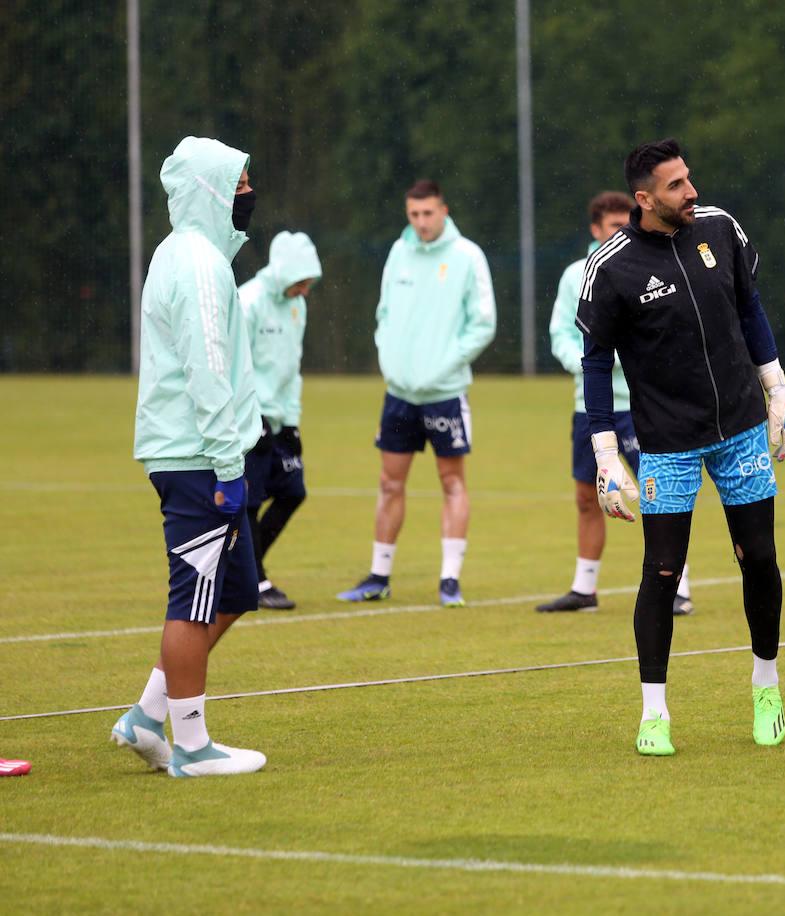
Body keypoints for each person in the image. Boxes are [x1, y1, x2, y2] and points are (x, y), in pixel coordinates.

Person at [577, 138, 785, 757]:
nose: (691, 191)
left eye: (689, 179)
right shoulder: (611, 267)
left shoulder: (721, 230)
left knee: (759, 555)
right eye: (675, 186)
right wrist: (605, 456)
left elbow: (750, 309)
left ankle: (766, 686)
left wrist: (776, 388)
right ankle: (654, 714)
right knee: (662, 572)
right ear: (644, 200)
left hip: (742, 432)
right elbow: (595, 364)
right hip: (667, 444)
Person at [111, 136, 267, 778]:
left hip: (201, 451)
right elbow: (207, 371)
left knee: (234, 589)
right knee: (193, 599)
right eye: (238, 186)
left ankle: (149, 714)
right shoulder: (201, 263)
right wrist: (229, 468)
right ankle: (193, 747)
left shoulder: (185, 253)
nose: (249, 197)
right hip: (199, 457)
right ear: (209, 191)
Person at [338, 180, 496, 607]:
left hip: (445, 392)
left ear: (443, 210)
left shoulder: (467, 257)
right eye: (414, 214)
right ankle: (378, 576)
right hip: (400, 394)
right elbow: (384, 313)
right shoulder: (399, 251)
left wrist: (440, 366)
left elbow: (483, 323)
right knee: (390, 482)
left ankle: (449, 580)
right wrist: (391, 362)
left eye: (428, 213)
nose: (421, 222)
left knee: (451, 482)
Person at [537, 191, 694, 615]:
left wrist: (626, 365)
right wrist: (591, 366)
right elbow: (561, 335)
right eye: (609, 226)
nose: (617, 232)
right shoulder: (575, 275)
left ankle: (679, 587)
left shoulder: (648, 265)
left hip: (642, 404)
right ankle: (584, 589)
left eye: (622, 223)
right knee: (587, 497)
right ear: (594, 229)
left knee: (660, 495)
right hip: (590, 407)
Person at [240, 231, 322, 610]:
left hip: (277, 418)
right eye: (302, 282)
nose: (306, 290)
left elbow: (292, 368)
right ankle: (255, 580)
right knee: (250, 501)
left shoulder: (297, 307)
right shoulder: (249, 300)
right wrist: (247, 415)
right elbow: (231, 366)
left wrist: (291, 423)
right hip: (246, 419)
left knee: (293, 491)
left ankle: (244, 568)